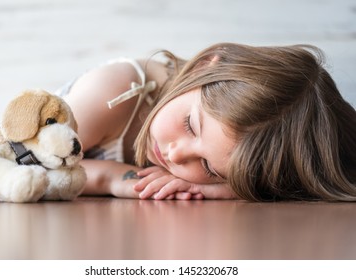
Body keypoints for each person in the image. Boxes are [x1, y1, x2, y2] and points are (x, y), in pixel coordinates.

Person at [58, 42, 356, 201]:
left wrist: (228, 189)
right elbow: (24, 161)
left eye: (209, 167)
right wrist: (112, 178)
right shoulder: (115, 90)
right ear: (202, 68)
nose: (176, 155)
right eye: (190, 125)